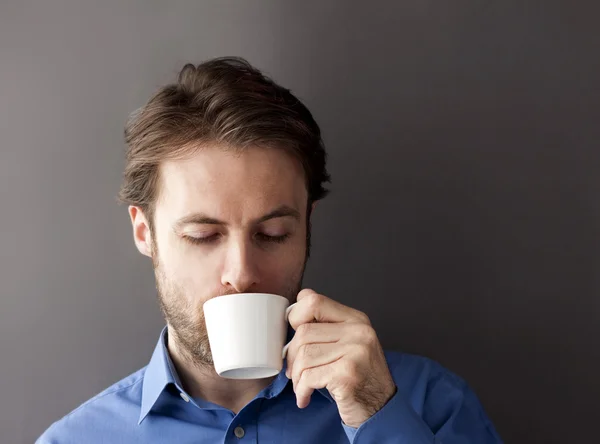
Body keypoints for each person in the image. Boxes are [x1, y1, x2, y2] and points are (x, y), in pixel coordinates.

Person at [37, 57, 502, 443]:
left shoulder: (429, 404)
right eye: (203, 236)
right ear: (145, 233)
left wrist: (378, 417)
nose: (241, 273)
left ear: (307, 227)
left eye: (273, 233)